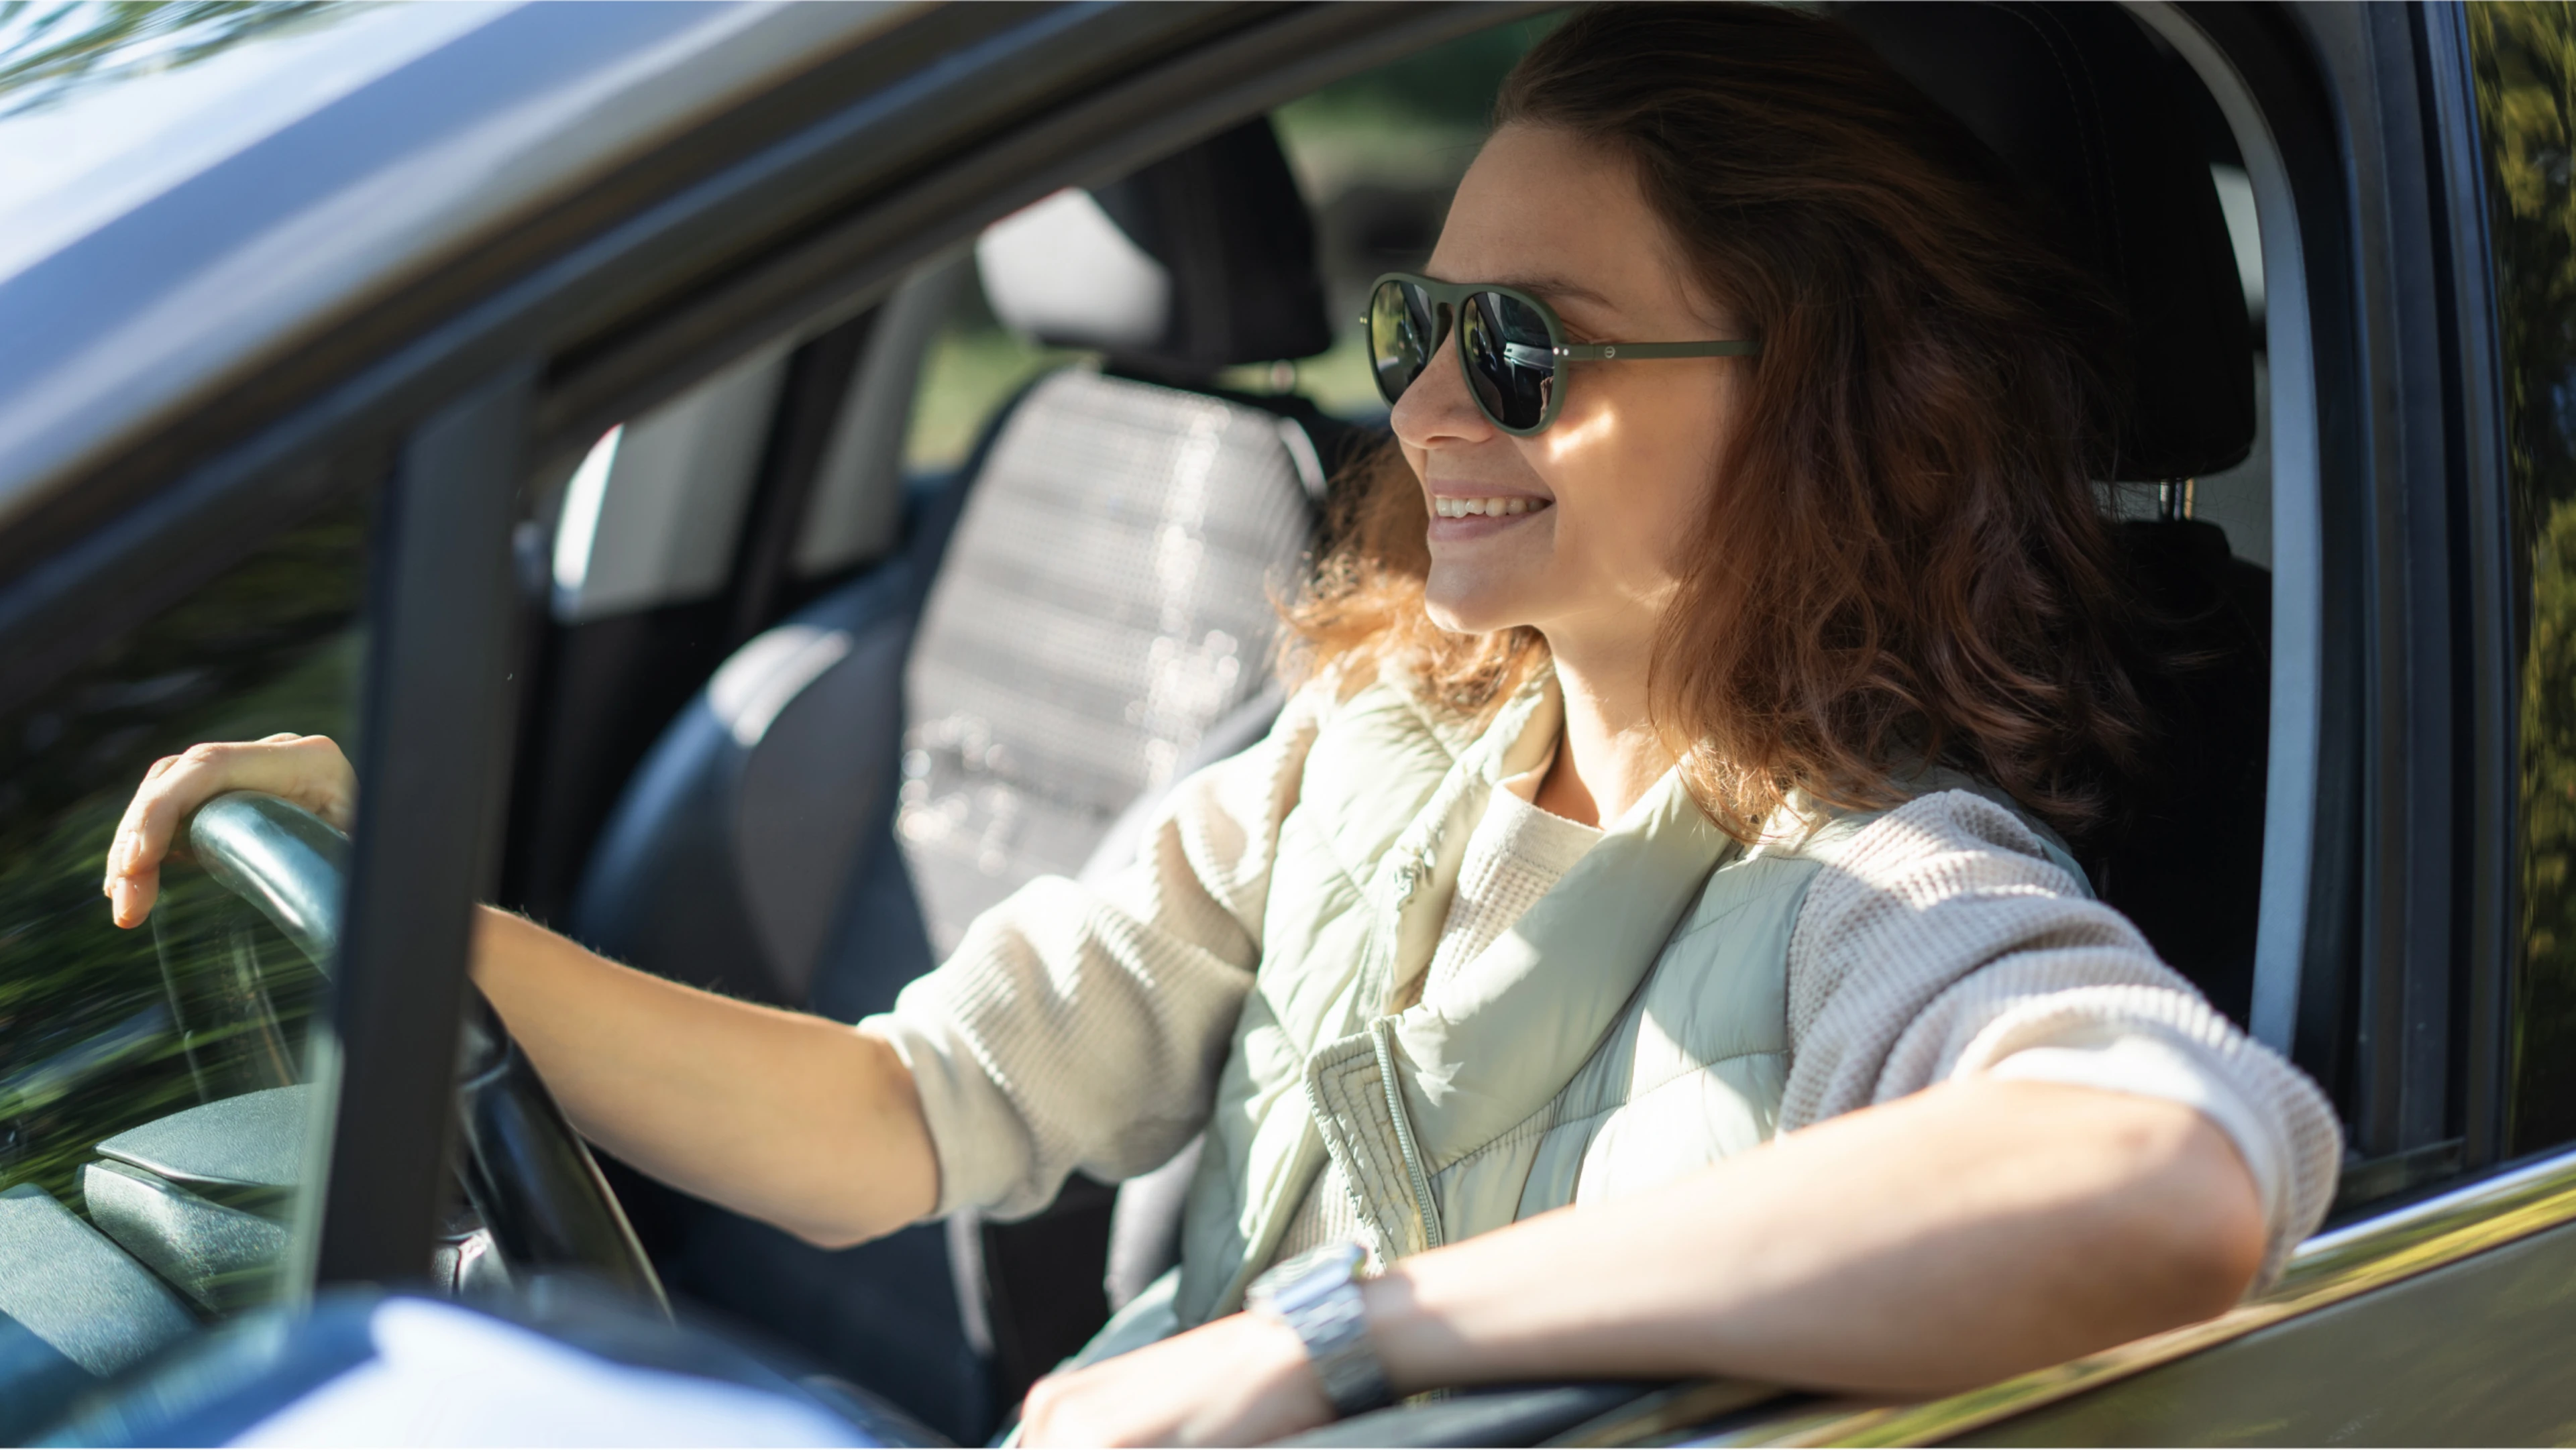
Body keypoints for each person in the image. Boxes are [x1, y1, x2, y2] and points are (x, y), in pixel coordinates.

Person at [102, 7, 2339, 1446]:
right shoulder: (1359, 753)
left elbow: (2165, 1175)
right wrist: (438, 926)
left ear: (1826, 409)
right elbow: (899, 1112)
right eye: (1420, 320)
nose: (1429, 406)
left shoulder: (1884, 888)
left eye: (1531, 350)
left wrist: (1342, 1336)